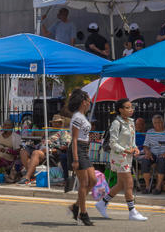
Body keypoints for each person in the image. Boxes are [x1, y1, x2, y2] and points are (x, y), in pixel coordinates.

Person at [96, 99, 147, 221]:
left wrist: (135, 148)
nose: (131, 109)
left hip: (128, 156)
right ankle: (132, 211)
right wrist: (125, 150)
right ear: (120, 110)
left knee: (120, 184)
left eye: (131, 107)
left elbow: (132, 140)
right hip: (119, 157)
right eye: (128, 107)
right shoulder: (116, 123)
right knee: (129, 183)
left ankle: (102, 203)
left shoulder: (131, 122)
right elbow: (112, 143)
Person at [67, 89, 95, 226]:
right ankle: (83, 213)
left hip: (83, 149)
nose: (90, 103)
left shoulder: (82, 116)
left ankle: (76, 206)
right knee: (84, 183)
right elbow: (74, 139)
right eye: (89, 101)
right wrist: (76, 159)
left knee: (93, 180)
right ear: (84, 102)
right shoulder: (77, 117)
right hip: (77, 149)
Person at [18, 115, 70, 185]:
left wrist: (52, 148)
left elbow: (65, 146)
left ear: (61, 123)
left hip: (52, 151)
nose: (56, 124)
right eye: (54, 122)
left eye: (58, 122)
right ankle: (32, 175)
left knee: (36, 153)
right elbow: (41, 141)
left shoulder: (63, 132)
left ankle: (27, 177)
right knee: (23, 151)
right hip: (40, 148)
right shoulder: (48, 131)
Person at [139, 114, 165, 195]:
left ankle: (158, 187)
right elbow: (145, 146)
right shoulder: (150, 132)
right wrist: (147, 152)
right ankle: (148, 186)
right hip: (153, 154)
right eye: (155, 123)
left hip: (164, 154)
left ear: (163, 122)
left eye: (159, 122)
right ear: (153, 124)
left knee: (162, 161)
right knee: (145, 160)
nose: (157, 124)